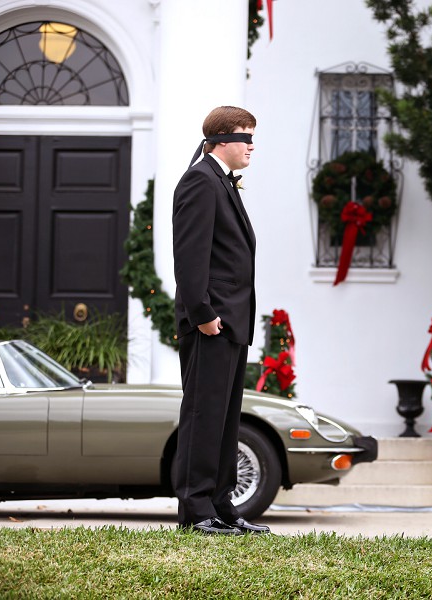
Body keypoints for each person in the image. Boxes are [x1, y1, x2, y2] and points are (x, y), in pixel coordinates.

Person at [171, 106, 269, 535]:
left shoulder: (220, 183)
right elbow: (189, 256)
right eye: (246, 137)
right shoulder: (200, 180)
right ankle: (195, 511)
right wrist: (204, 315)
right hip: (211, 323)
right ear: (222, 140)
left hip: (232, 323)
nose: (251, 146)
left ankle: (221, 505)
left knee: (225, 417)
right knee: (202, 414)